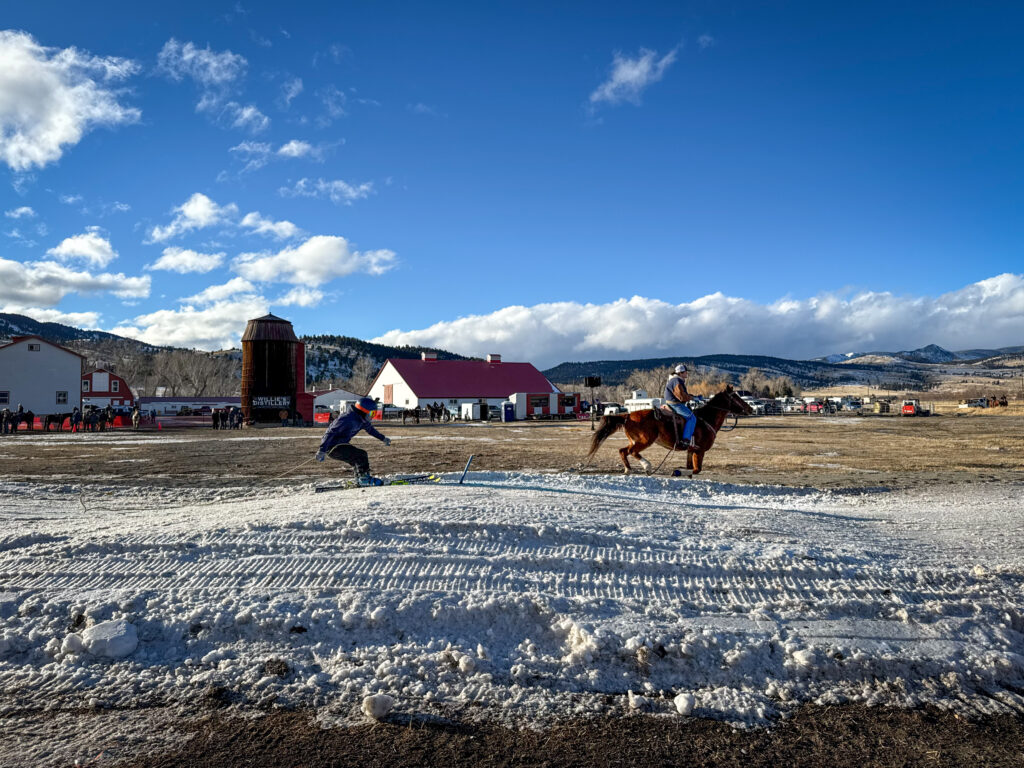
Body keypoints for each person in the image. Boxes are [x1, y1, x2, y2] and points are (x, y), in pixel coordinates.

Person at [315, 396, 391, 486]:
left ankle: (360, 479)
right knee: (361, 455)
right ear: (363, 411)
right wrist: (322, 450)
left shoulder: (362, 420)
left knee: (357, 459)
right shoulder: (346, 419)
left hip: (342, 444)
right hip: (332, 447)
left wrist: (383, 438)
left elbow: (370, 430)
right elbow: (329, 433)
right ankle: (364, 479)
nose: (372, 416)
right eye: (372, 413)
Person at [664, 364, 697, 449]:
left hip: (673, 403)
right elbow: (682, 397)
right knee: (691, 418)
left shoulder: (676, 380)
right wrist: (692, 398)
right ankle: (686, 440)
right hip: (675, 404)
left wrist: (690, 396)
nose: (687, 373)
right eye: (686, 372)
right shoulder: (676, 381)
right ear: (680, 373)